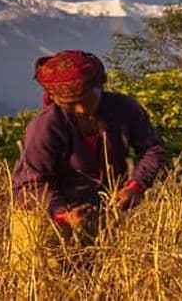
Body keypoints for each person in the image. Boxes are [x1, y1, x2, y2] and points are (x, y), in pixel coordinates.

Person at [9, 50, 166, 289]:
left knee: (97, 285)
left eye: (85, 98)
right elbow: (31, 182)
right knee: (45, 287)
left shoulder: (124, 109)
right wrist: (63, 214)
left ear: (100, 84)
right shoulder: (46, 126)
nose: (81, 109)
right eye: (71, 105)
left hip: (97, 209)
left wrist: (136, 186)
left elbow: (152, 149)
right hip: (43, 215)